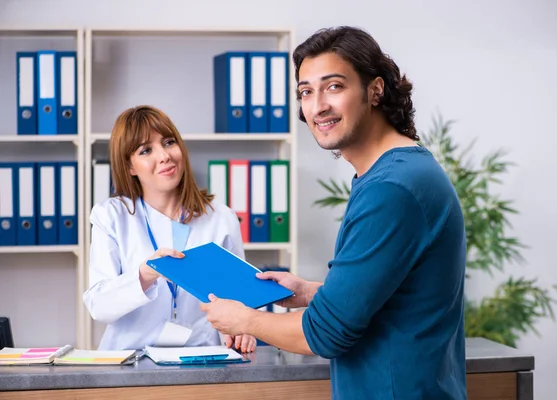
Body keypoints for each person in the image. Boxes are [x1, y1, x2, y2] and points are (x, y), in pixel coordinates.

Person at [200, 26, 467, 399]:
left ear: (375, 90)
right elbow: (397, 292)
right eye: (306, 92)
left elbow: (325, 334)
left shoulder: (391, 188)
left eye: (334, 86)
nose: (317, 106)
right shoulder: (400, 172)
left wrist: (243, 320)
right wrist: (311, 292)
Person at [83, 105, 256, 353]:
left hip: (200, 357)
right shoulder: (111, 216)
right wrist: (145, 274)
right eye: (146, 150)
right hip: (128, 359)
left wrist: (245, 328)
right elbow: (98, 306)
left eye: (169, 142)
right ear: (130, 167)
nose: (164, 156)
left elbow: (240, 296)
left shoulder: (221, 217)